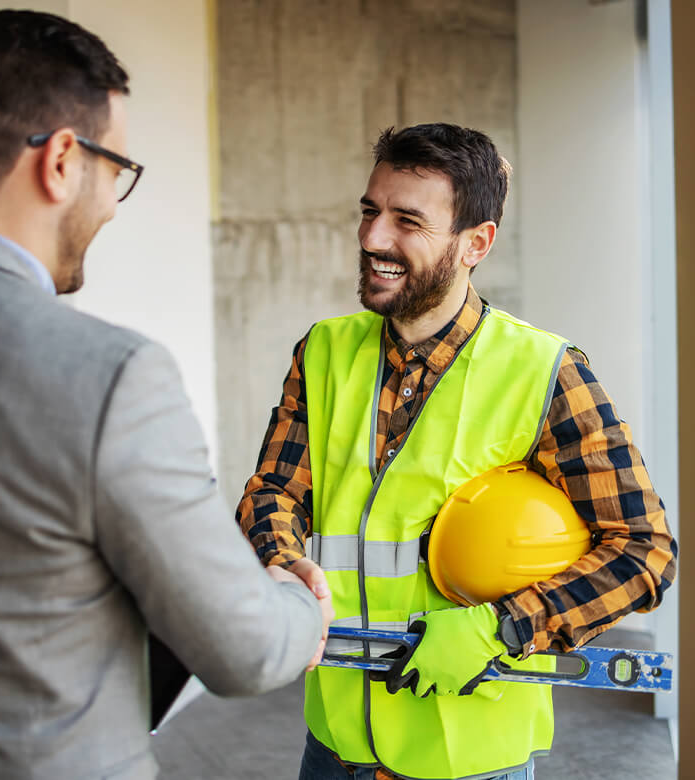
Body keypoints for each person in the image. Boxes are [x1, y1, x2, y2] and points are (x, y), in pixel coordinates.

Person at [0, 10, 333, 780]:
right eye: (116, 170)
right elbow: (246, 650)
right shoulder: (112, 376)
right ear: (62, 160)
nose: (110, 202)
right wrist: (296, 604)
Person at [236, 123, 677, 780]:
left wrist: (502, 627)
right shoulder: (322, 351)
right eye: (369, 211)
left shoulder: (545, 371)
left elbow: (644, 552)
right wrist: (280, 559)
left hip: (470, 755)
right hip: (333, 743)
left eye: (406, 221)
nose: (371, 238)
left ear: (476, 243)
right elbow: (276, 489)